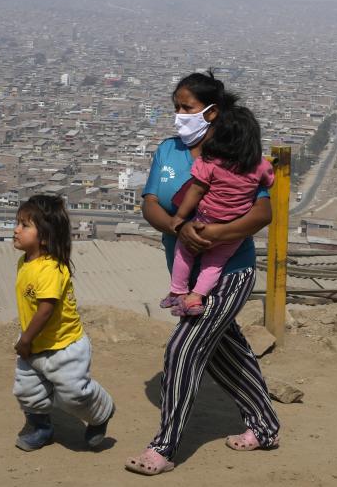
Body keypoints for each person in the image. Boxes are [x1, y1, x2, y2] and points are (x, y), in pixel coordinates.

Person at [126, 70, 281, 476]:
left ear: (211, 113)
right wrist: (179, 228)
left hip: (229, 271)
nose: (179, 115)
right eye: (176, 107)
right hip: (185, 274)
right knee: (227, 353)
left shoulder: (236, 150)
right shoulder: (169, 151)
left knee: (183, 348)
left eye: (187, 108)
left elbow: (263, 212)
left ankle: (163, 448)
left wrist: (212, 234)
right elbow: (150, 204)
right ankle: (264, 427)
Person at [11, 194, 115, 451]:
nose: (16, 230)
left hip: (63, 346)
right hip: (35, 343)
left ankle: (102, 411)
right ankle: (42, 429)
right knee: (27, 392)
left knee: (74, 394)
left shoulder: (51, 269)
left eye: (24, 225)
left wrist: (25, 340)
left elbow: (46, 310)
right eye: (17, 223)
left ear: (44, 237)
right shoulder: (25, 262)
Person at [161, 104, 274, 316]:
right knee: (214, 264)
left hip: (205, 221)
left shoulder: (210, 162)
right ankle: (195, 299)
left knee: (184, 250)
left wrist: (180, 217)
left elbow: (196, 190)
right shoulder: (258, 165)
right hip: (233, 230)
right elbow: (269, 180)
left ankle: (178, 291)